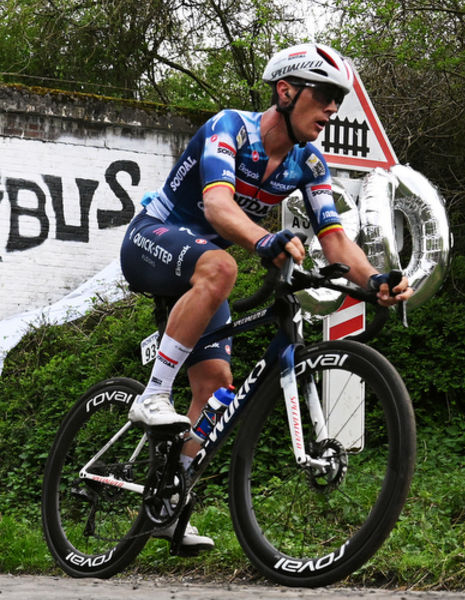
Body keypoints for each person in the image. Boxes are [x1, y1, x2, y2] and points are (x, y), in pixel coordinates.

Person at [119, 43, 412, 551]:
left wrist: (373, 282)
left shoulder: (308, 162)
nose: (332, 110)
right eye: (324, 96)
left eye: (337, 100)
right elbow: (216, 206)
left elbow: (336, 239)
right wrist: (264, 239)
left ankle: (167, 502)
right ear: (286, 91)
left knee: (214, 384)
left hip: (206, 271)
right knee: (222, 263)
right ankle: (152, 396)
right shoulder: (230, 128)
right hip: (154, 238)